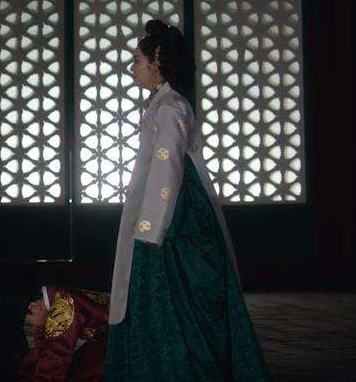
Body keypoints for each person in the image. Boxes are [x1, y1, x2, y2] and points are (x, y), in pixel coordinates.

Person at [103, 19, 271, 381]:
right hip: (170, 210)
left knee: (177, 298)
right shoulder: (162, 103)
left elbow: (168, 168)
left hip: (174, 217)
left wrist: (152, 229)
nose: (132, 68)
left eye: (137, 60)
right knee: (170, 300)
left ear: (156, 64)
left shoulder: (170, 107)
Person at [18, 284, 108, 382]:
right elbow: (41, 349)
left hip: (114, 335)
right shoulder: (47, 310)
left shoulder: (63, 305)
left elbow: (57, 351)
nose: (34, 329)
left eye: (30, 324)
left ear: (34, 307)